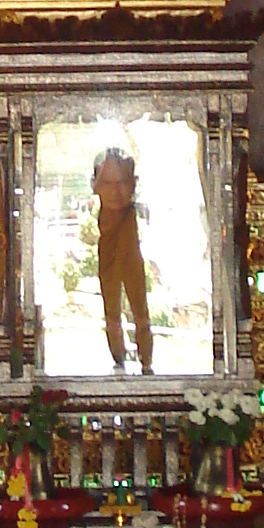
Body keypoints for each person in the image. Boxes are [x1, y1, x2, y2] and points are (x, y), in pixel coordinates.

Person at [92, 147, 153, 373]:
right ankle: (118, 357)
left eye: (122, 182)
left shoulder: (129, 217)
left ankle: (146, 360)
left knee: (139, 308)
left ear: (132, 183)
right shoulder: (107, 218)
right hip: (109, 253)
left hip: (130, 254)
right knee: (112, 310)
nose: (116, 191)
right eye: (108, 184)